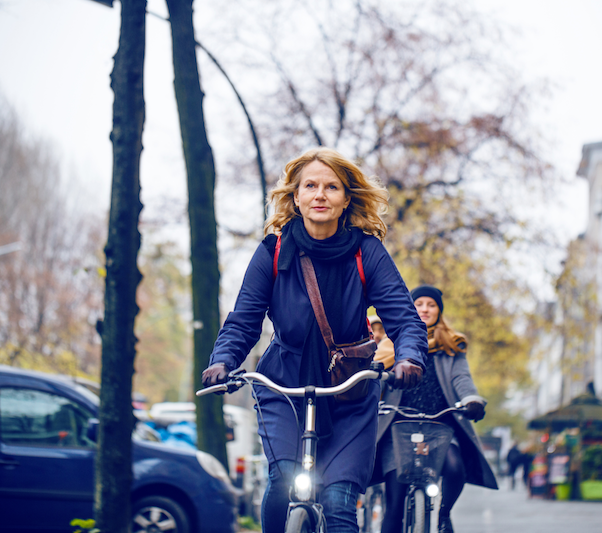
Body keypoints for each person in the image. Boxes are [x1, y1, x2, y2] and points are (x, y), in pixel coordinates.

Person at [201, 147, 428, 533]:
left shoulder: (366, 252)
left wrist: (409, 358)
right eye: (311, 185)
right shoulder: (272, 253)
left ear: (345, 199)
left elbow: (404, 319)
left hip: (349, 393)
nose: (320, 194)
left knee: (338, 501)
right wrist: (222, 360)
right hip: (283, 385)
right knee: (282, 483)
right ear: (296, 196)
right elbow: (244, 320)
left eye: (331, 187)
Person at [373, 285, 498, 533]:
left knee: (454, 467)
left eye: (431, 305)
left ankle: (443, 514)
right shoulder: (393, 343)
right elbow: (376, 377)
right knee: (394, 505)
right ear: (411, 307)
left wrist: (471, 399)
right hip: (397, 426)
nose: (425, 309)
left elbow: (461, 379)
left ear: (439, 311)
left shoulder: (452, 345)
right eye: (419, 304)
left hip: (440, 424)